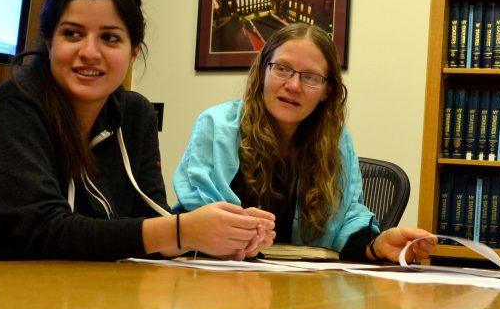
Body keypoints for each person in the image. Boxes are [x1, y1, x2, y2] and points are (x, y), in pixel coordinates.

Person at [0, 0, 274, 261]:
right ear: (49, 42)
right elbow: (44, 232)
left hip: (62, 296)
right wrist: (182, 230)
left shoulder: (135, 114)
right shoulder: (15, 104)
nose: (89, 52)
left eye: (110, 38)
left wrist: (223, 235)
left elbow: (147, 219)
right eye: (72, 34)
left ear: (133, 53)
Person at [174, 22, 434, 263]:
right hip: (221, 283)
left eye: (310, 77)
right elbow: (198, 214)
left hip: (305, 288)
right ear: (263, 71)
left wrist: (375, 246)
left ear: (327, 91)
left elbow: (347, 220)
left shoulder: (337, 141)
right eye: (282, 69)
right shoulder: (217, 126)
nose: (293, 85)